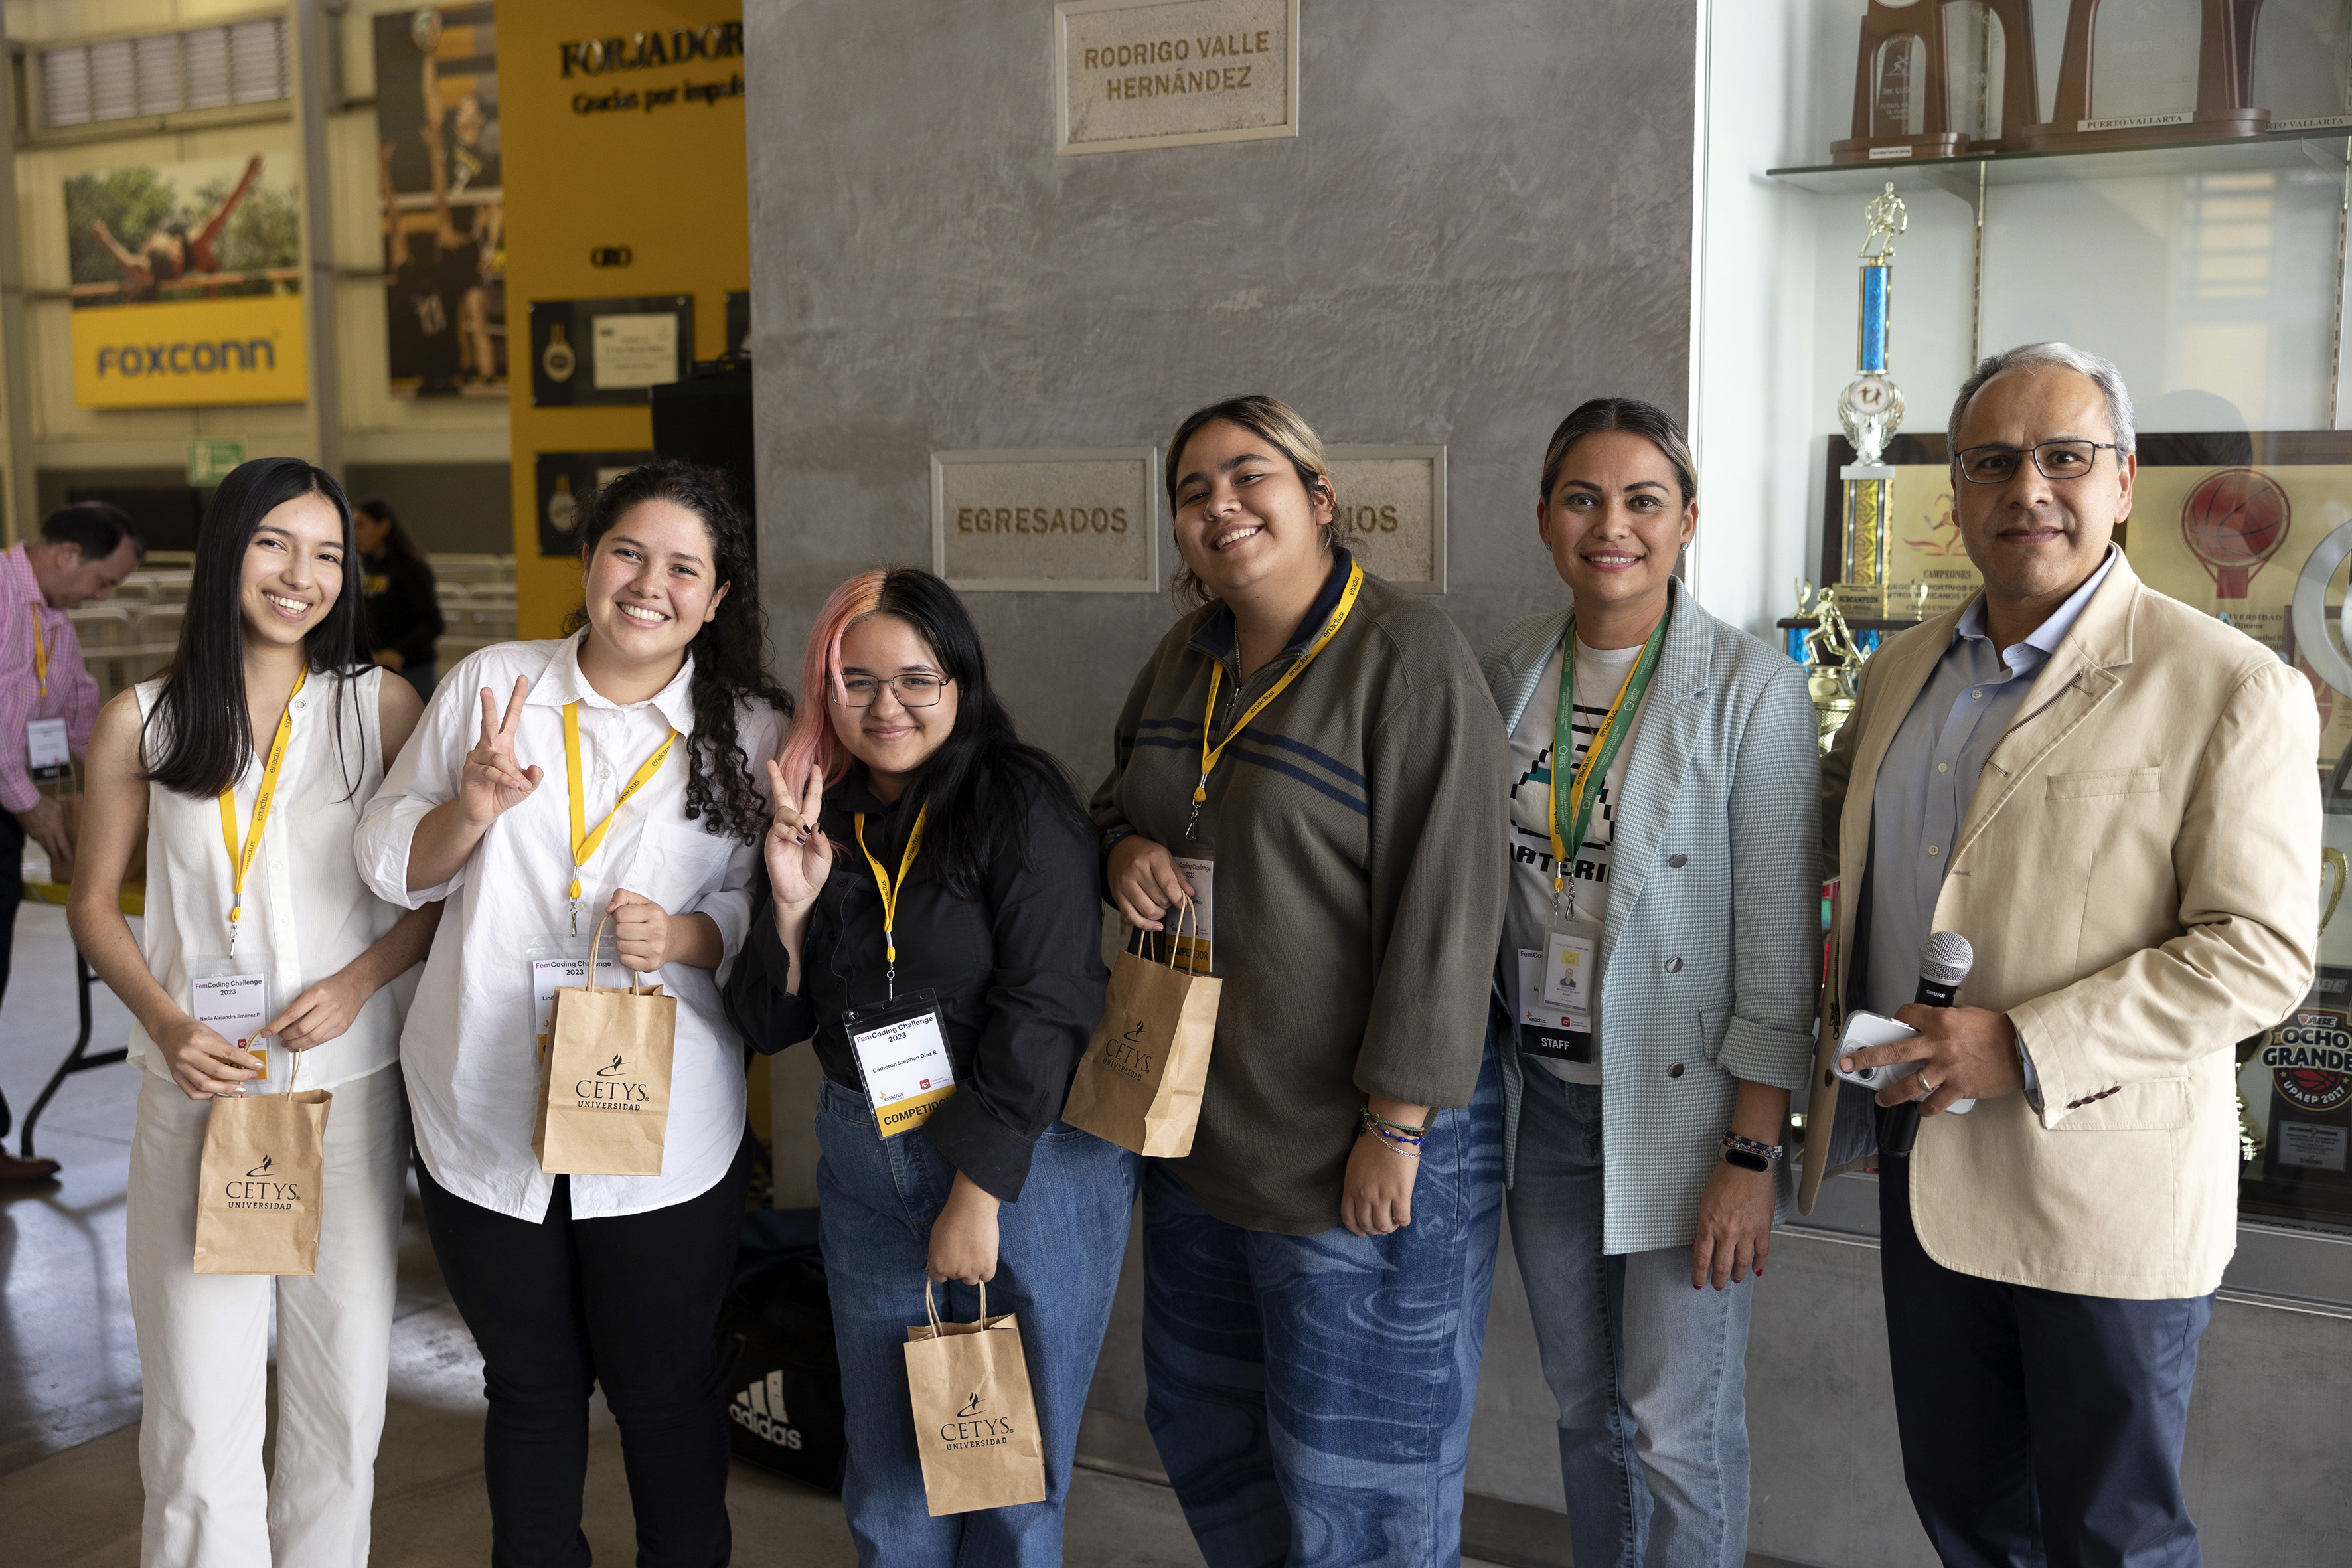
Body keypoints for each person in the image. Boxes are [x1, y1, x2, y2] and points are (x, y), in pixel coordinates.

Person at [1805, 343, 2320, 1567]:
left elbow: (2256, 951)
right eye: (1990, 462)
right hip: (1923, 1167)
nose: (2025, 488)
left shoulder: (2227, 683)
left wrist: (2024, 1042)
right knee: (1967, 1515)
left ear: (2123, 479)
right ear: (1954, 492)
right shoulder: (1898, 671)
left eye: (2063, 456)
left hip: (2100, 1194)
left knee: (2109, 1537)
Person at [1091, 395, 1509, 1567]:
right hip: (1197, 1135)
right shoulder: (1185, 656)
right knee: (1205, 1428)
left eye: (1248, 475)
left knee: (1360, 1485)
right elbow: (1113, 801)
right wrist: (1119, 851)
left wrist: (1396, 1122)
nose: (1218, 504)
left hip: (1354, 1148)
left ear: (1319, 498)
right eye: (1191, 491)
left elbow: (1448, 909)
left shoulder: (1407, 657)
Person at [356, 460, 788, 1565]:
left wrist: (684, 935)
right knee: (530, 1386)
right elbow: (388, 859)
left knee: (664, 1388)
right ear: (589, 560)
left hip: (663, 1122)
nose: (649, 584)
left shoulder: (752, 729)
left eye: (683, 568)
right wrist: (469, 809)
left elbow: (759, 901)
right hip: (482, 1103)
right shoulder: (494, 684)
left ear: (717, 597)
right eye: (627, 553)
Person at [66, 457, 439, 1565]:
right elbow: (93, 904)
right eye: (275, 542)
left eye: (327, 553)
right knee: (196, 1412)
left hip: (345, 1096)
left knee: (340, 1404)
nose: (301, 574)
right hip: (197, 1096)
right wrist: (168, 1023)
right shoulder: (143, 718)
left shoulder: (379, 706)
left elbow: (434, 895)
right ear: (228, 547)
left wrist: (360, 981)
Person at [724, 566, 1137, 1565]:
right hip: (868, 1160)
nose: (887, 706)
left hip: (1022, 1164)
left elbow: (1049, 1003)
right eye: (857, 682)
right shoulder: (819, 812)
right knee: (889, 1470)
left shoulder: (1020, 801)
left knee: (1005, 1472)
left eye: (916, 679)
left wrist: (977, 1192)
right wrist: (789, 906)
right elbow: (768, 1021)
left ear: (961, 679)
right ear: (826, 689)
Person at [1482, 399, 1818, 1568]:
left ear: (1687, 521)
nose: (1610, 526)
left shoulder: (1751, 690)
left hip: (1684, 1115)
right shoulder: (1507, 669)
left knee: (1674, 1429)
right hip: (1542, 1097)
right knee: (1586, 1413)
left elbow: (1777, 947)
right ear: (1543, 518)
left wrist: (1750, 1157)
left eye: (1642, 500)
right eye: (1582, 499)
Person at [1, 501, 142, 1182]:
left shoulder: (54, 622)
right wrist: (30, 805)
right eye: (103, 580)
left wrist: (147, 779)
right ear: (66, 555)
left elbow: (83, 714)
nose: (103, 597)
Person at [89, 154, 264, 303]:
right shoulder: (156, 265)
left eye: (177, 257)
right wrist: (105, 240)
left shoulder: (191, 244)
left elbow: (223, 213)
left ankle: (210, 304)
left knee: (209, 260)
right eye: (178, 261)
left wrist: (105, 239)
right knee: (142, 281)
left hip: (179, 243)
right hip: (171, 257)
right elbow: (223, 213)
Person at [352, 497, 444, 701]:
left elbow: (433, 623)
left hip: (413, 671)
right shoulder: (368, 565)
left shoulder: (411, 568)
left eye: (361, 525)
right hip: (376, 668)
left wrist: (398, 652)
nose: (355, 532)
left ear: (383, 526)